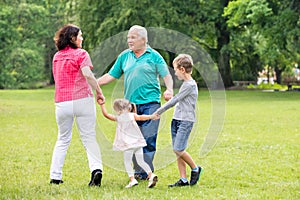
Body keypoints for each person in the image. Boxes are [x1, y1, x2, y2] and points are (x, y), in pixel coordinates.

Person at [97, 25, 173, 180]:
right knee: (132, 139)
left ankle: (145, 172)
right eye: (128, 38)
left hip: (151, 103)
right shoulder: (125, 56)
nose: (129, 41)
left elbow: (166, 75)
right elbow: (111, 75)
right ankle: (139, 171)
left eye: (133, 37)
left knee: (148, 138)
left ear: (143, 39)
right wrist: (94, 83)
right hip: (130, 106)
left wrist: (169, 89)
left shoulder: (154, 56)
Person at [50, 24, 105, 187]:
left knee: (63, 139)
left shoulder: (57, 57)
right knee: (89, 137)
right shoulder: (81, 54)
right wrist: (99, 91)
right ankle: (96, 170)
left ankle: (55, 176)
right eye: (80, 35)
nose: (82, 38)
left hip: (62, 102)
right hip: (83, 100)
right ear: (72, 38)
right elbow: (88, 74)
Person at [154, 54, 202, 187]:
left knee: (178, 148)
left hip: (185, 121)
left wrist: (159, 111)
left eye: (175, 69)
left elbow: (175, 100)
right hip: (177, 119)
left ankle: (195, 168)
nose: (175, 73)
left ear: (182, 69)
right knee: (177, 150)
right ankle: (183, 179)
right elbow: (179, 99)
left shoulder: (190, 85)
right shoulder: (186, 85)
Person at [98, 98, 158, 188]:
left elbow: (106, 115)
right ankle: (151, 175)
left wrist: (102, 105)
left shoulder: (118, 118)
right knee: (141, 161)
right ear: (129, 108)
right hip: (138, 142)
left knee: (127, 161)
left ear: (118, 110)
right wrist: (151, 117)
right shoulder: (132, 115)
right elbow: (142, 118)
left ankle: (132, 180)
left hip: (128, 145)